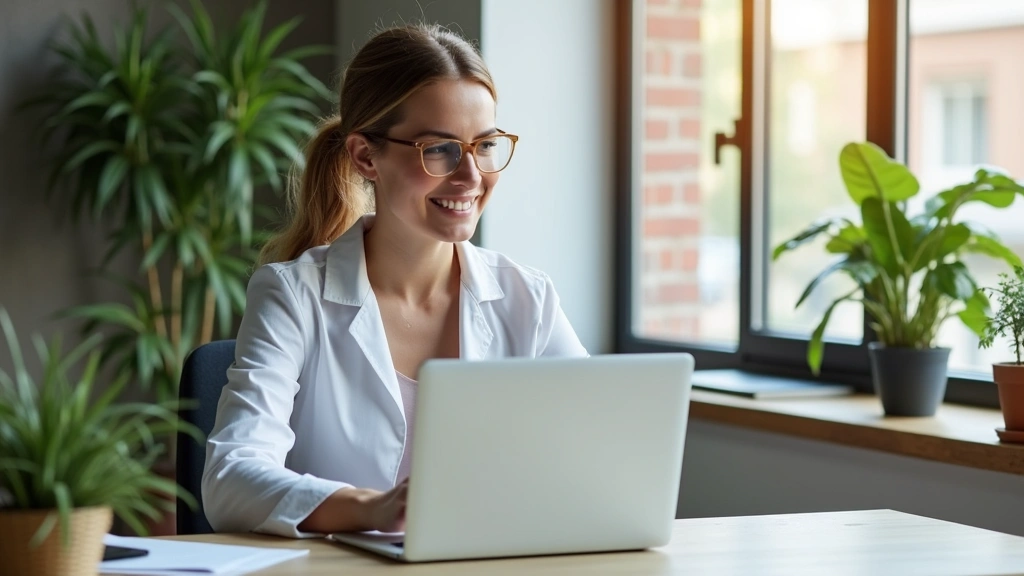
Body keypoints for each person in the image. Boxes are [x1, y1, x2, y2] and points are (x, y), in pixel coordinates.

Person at [201, 23, 588, 539]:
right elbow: (230, 478)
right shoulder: (292, 296)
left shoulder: (528, 299)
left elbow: (594, 460)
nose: (471, 176)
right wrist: (373, 508)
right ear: (366, 156)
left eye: (485, 145)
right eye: (441, 150)